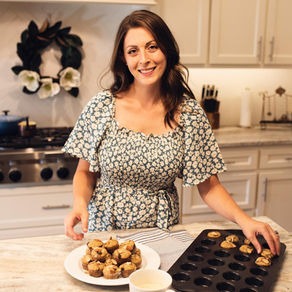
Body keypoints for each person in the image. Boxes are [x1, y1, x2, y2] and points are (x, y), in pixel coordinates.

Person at [62, 9, 280, 256]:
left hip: (162, 234)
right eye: (133, 51)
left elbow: (208, 184)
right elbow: (84, 172)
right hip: (107, 234)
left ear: (167, 49)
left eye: (152, 47)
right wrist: (80, 203)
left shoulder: (189, 113)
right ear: (124, 58)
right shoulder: (101, 107)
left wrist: (245, 220)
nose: (143, 59)